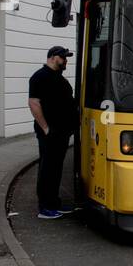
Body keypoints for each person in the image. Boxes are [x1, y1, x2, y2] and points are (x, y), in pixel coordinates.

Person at [28, 46, 78, 219]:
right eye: (63, 57)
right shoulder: (40, 77)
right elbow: (34, 103)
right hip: (51, 133)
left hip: (62, 132)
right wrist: (46, 128)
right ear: (53, 58)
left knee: (56, 168)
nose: (66, 61)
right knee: (47, 169)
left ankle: (54, 203)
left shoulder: (59, 78)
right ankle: (45, 207)